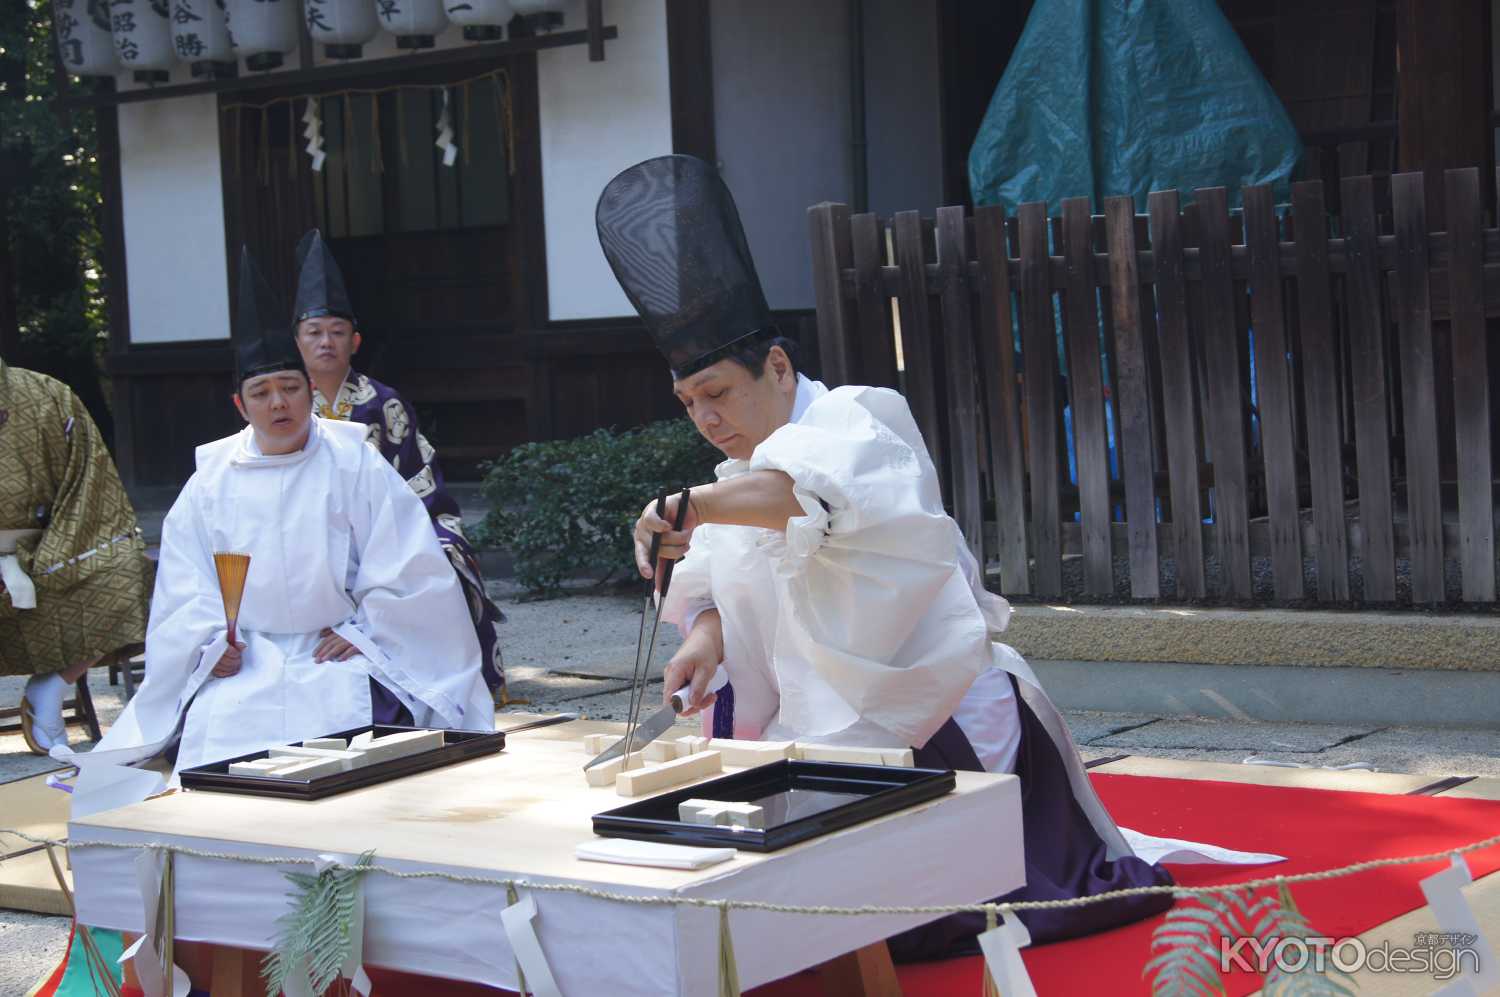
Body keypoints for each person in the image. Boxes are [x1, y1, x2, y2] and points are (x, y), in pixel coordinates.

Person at [599, 156, 1276, 957]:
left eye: (718, 392)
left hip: (930, 717)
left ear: (778, 366)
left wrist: (694, 506)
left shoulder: (862, 418)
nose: (707, 419)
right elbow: (720, 582)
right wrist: (705, 643)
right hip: (810, 730)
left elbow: (810, 495)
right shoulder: (737, 476)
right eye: (689, 404)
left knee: (886, 923)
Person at [82, 247, 492, 788]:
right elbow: (186, 587)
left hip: (338, 645)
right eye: (262, 393)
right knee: (221, 734)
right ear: (240, 405)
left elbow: (406, 563)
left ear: (309, 393)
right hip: (248, 651)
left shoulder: (352, 462)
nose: (279, 404)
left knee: (356, 742)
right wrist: (210, 645)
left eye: (291, 388)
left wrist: (370, 629)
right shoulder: (211, 482)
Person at [290, 229, 507, 702]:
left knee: (443, 561)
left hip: (384, 537)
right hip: (304, 542)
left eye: (337, 332)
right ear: (297, 341)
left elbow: (417, 480)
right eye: (314, 332)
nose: (326, 342)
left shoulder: (383, 403)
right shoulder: (284, 405)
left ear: (355, 341)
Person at [0, 357, 150, 755]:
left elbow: (91, 488)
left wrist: (49, 555)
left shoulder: (47, 395)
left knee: (130, 573)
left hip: (45, 550)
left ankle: (51, 688)